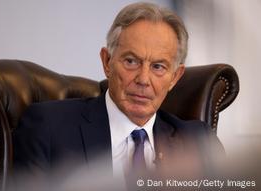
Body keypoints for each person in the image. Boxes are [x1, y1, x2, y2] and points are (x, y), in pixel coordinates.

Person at [13, 2, 224, 190]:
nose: (143, 79)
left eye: (158, 67)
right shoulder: (48, 127)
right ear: (107, 62)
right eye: (131, 61)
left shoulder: (199, 143)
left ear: (175, 78)